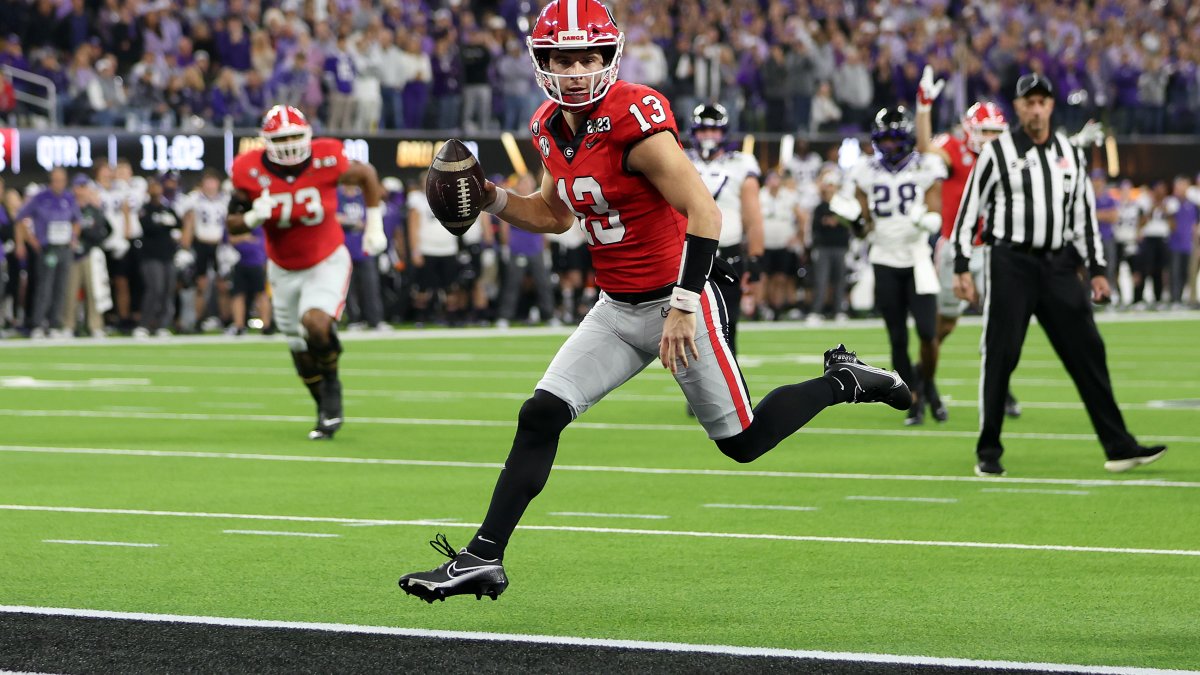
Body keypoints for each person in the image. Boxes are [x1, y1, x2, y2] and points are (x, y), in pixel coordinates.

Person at [398, 0, 911, 604]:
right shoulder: (546, 126)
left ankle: (844, 380)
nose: (574, 71)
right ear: (541, 62)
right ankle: (482, 559)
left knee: (741, 443)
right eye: (561, 58)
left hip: (680, 299)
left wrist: (684, 304)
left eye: (586, 56)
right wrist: (490, 197)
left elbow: (706, 213)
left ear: (609, 58)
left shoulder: (635, 117)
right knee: (539, 415)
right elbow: (556, 214)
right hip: (616, 307)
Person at [952, 73, 1167, 477]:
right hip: (1011, 262)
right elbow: (969, 212)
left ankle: (1118, 445)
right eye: (1028, 102)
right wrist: (962, 266)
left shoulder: (1069, 152)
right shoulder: (997, 153)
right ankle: (989, 451)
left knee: (1089, 350)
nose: (1036, 109)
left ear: (1051, 106)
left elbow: (1084, 218)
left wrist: (1099, 269)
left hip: (1059, 264)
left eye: (1042, 102)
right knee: (1001, 354)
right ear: (1017, 107)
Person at [226, 104, 386, 440]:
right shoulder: (247, 169)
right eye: (281, 137)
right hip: (282, 268)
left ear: (308, 135)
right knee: (299, 347)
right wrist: (253, 217)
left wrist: (374, 225)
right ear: (265, 140)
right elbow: (233, 223)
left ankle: (332, 385)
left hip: (325, 258)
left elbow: (368, 174)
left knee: (314, 322)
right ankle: (324, 408)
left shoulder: (328, 156)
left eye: (295, 136)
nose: (289, 144)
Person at [914, 69, 1020, 421]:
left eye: (996, 133)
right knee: (942, 326)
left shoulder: (1007, 159)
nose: (991, 139)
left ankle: (1000, 388)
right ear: (971, 132)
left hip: (994, 249)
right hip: (956, 248)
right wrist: (924, 110)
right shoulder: (954, 148)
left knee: (1003, 321)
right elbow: (925, 150)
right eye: (985, 132)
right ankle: (923, 381)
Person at [841, 106, 946, 426]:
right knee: (897, 337)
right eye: (882, 139)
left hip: (917, 259)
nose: (887, 146)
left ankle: (927, 386)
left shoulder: (926, 166)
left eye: (893, 139)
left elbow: (936, 214)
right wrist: (853, 220)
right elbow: (864, 225)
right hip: (884, 258)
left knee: (928, 334)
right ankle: (914, 397)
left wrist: (926, 221)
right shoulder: (864, 170)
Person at [687, 102, 764, 345]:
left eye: (713, 130)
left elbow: (753, 216)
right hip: (688, 254)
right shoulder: (681, 160)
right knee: (689, 324)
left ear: (724, 132)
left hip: (727, 255)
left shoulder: (741, 163)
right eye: (703, 130)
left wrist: (755, 257)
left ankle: (728, 381)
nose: (708, 136)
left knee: (727, 326)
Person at [15, 167, 81, 339]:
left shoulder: (69, 197)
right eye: (55, 179)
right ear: (50, 180)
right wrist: (30, 240)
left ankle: (54, 324)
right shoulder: (40, 197)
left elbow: (77, 220)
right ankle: (37, 324)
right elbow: (20, 218)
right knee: (44, 287)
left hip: (64, 248)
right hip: (47, 248)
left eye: (61, 179)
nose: (58, 183)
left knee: (61, 287)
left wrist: (74, 238)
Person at [180, 169, 231, 332]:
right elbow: (188, 222)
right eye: (208, 181)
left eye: (213, 181)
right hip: (201, 244)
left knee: (223, 283)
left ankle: (226, 320)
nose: (211, 185)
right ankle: (197, 320)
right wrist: (185, 246)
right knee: (201, 284)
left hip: (220, 245)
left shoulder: (225, 199)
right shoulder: (194, 199)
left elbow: (230, 223)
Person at [132, 176, 182, 338]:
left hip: (168, 255)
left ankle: (163, 325)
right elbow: (148, 227)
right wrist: (164, 224)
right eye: (153, 187)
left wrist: (165, 225)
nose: (156, 190)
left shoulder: (167, 208)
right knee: (154, 289)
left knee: (167, 291)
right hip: (151, 256)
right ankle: (145, 324)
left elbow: (178, 224)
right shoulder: (145, 209)